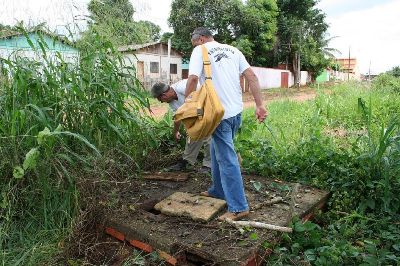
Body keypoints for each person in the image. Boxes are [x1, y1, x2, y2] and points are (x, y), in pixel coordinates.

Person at [186, 27, 267, 221]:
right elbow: (252, 77)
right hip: (236, 112)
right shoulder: (234, 50)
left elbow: (193, 78)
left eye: (195, 43)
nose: (194, 46)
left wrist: (187, 105)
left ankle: (239, 207)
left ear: (202, 39)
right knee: (216, 149)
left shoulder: (200, 50)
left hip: (218, 114)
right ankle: (218, 191)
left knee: (227, 159)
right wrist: (260, 105)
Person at [151, 79, 211, 173]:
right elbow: (178, 117)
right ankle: (187, 161)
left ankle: (209, 165)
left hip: (209, 106)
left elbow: (205, 92)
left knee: (208, 135)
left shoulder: (182, 87)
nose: (162, 102)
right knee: (192, 133)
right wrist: (175, 131)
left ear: (164, 95)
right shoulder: (172, 102)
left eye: (160, 99)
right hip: (196, 113)